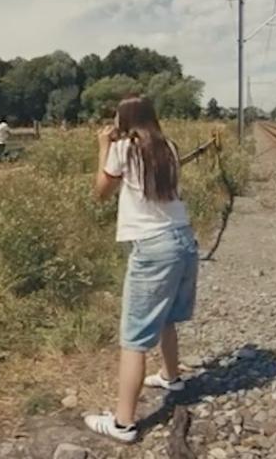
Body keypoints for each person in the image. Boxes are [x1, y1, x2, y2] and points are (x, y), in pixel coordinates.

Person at [84, 96, 199, 444]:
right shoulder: (169, 147)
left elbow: (101, 192)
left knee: (133, 338)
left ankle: (123, 423)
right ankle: (171, 376)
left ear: (126, 120)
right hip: (183, 240)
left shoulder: (124, 149)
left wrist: (103, 147)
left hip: (153, 247)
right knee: (165, 316)